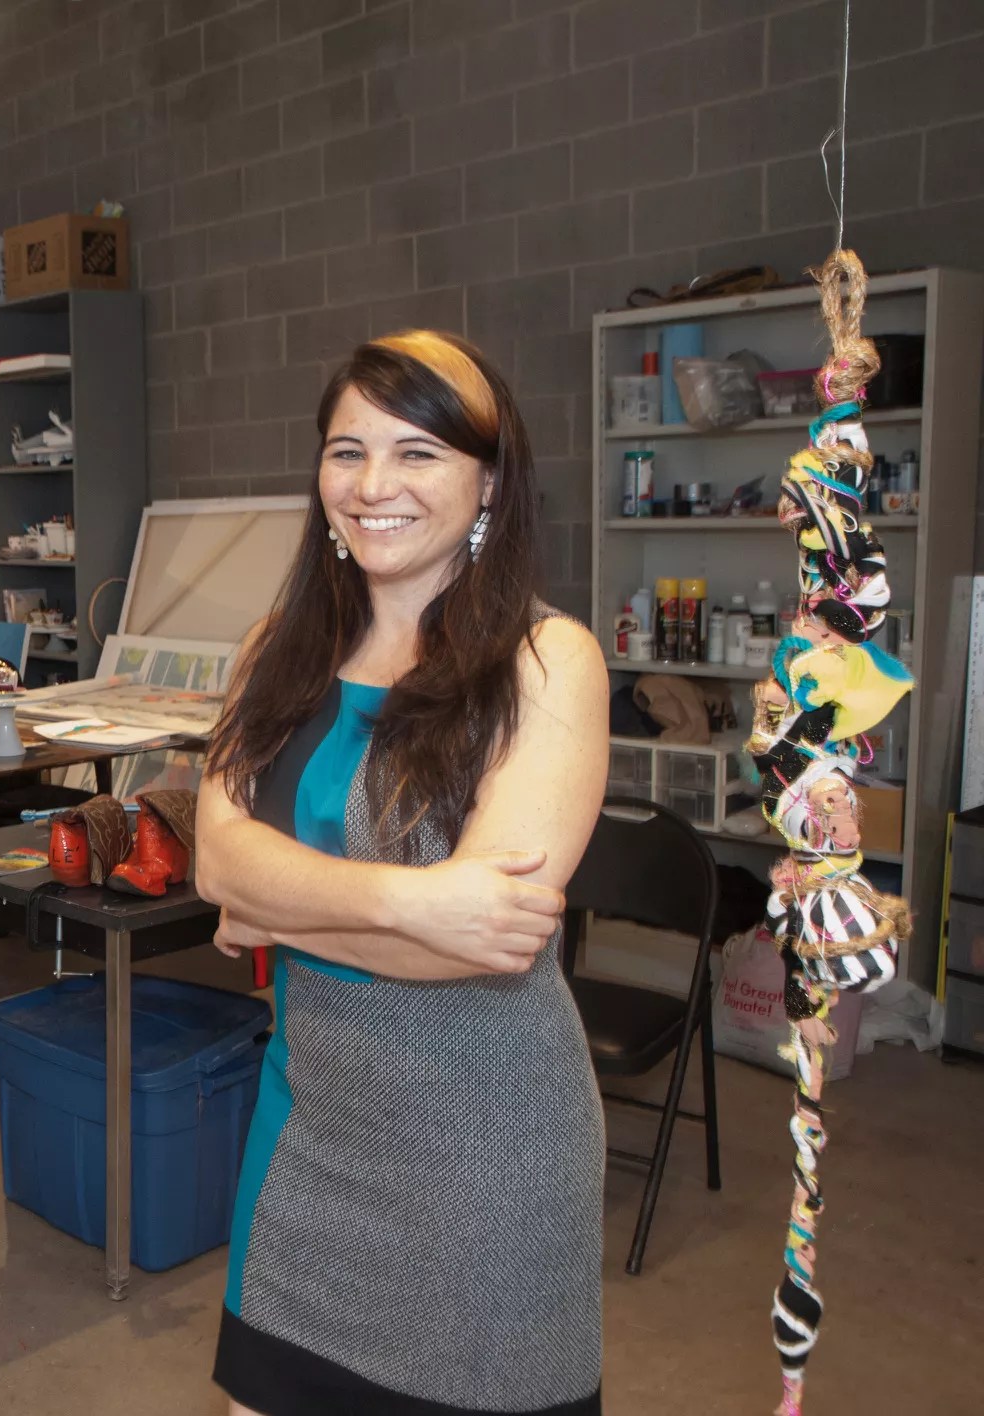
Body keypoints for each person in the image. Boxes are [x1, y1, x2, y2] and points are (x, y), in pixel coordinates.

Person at [197, 330, 610, 1415]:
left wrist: (272, 904)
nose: (373, 485)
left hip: (481, 1149)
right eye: (347, 450)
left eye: (418, 452)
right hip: (307, 1125)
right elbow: (213, 858)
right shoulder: (271, 648)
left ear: (488, 480)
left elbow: (490, 943)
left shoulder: (545, 662)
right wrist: (418, 898)